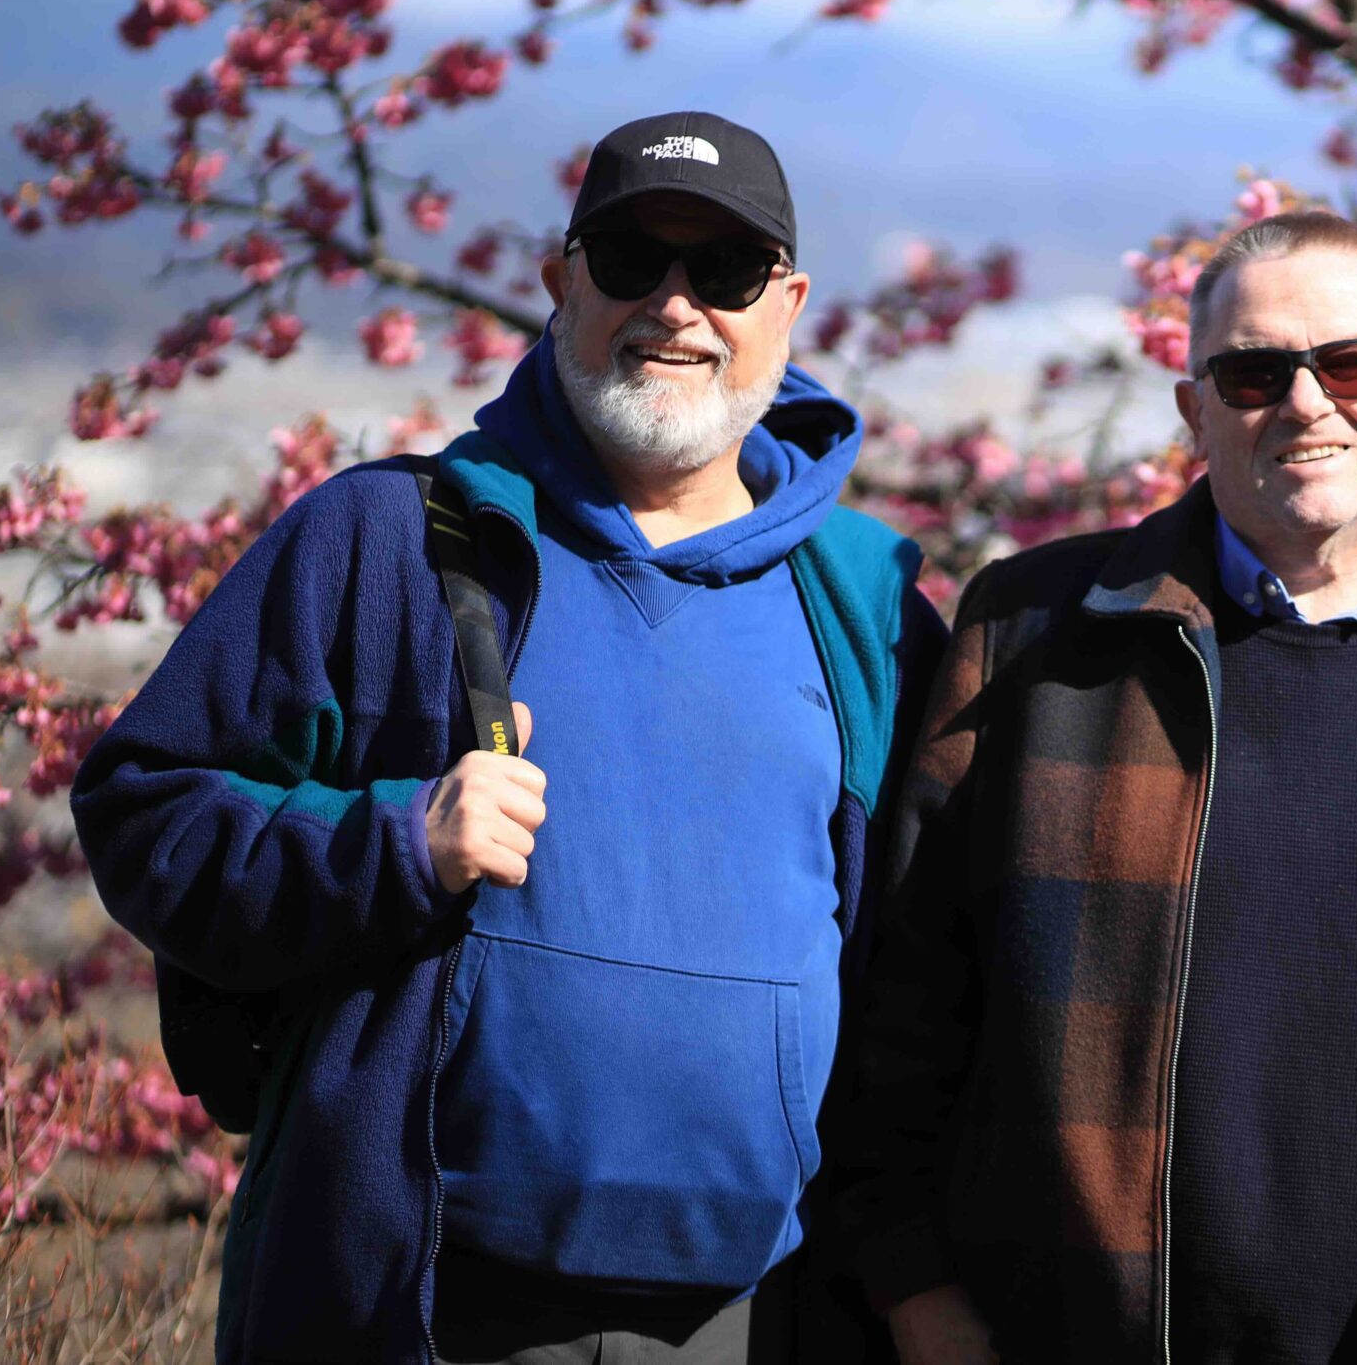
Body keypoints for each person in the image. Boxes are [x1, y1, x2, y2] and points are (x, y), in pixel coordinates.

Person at [73, 110, 945, 1365]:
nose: (676, 305)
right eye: (632, 261)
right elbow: (145, 806)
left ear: (791, 303)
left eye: (727, 272)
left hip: (757, 1321)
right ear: (562, 284)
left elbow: (925, 970)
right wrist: (392, 841)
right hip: (423, 1305)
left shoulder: (863, 604)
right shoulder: (390, 541)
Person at [839, 211, 1357, 1365]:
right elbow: (908, 996)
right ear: (1194, 413)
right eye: (1252, 372)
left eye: (1351, 363)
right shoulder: (1037, 637)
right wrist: (914, 1290)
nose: (1305, 402)